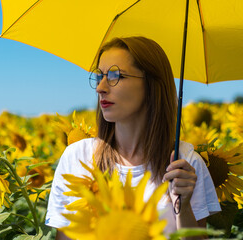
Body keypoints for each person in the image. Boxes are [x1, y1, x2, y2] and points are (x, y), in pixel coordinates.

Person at [45, 36, 221, 240]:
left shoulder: (186, 165)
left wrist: (184, 208)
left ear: (151, 85)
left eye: (114, 75)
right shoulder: (78, 158)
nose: (101, 87)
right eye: (99, 76)